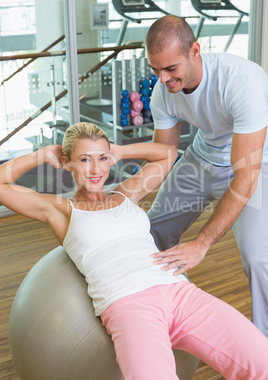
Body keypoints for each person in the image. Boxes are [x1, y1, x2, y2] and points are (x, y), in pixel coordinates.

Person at [1, 122, 268, 380]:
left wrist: (120, 151)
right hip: (128, 306)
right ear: (67, 162)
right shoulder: (61, 210)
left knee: (261, 361)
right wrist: (41, 155)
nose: (96, 169)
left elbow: (167, 155)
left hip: (178, 291)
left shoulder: (125, 194)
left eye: (102, 158)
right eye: (84, 160)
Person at [145, 15, 268, 337]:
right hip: (200, 159)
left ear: (195, 51)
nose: (163, 79)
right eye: (155, 69)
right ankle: (167, 313)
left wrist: (201, 244)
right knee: (151, 234)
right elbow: (163, 158)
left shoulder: (243, 80)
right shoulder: (163, 91)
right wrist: (120, 193)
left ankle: (263, 348)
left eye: (171, 68)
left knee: (258, 259)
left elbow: (245, 174)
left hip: (254, 167)